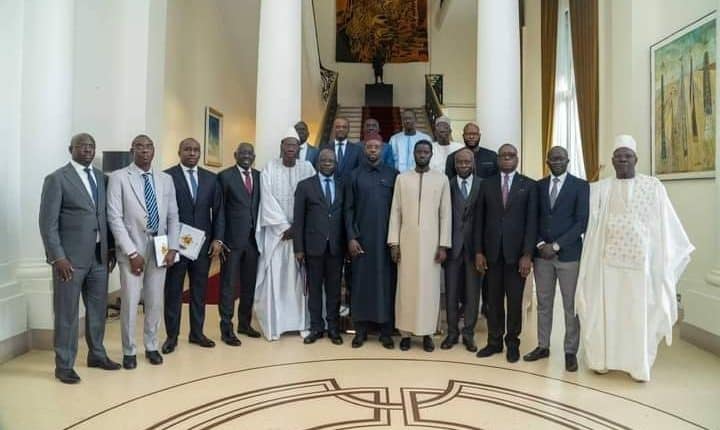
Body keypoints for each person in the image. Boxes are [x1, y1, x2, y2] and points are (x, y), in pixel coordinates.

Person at [576, 135, 693, 382]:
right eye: (618, 156)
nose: (623, 160)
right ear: (612, 160)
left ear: (636, 159)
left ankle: (637, 366)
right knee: (605, 314)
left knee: (637, 316)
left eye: (627, 156)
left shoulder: (653, 187)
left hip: (641, 269)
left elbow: (665, 224)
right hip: (606, 267)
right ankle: (601, 360)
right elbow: (591, 227)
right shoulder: (600, 189)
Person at [39, 133, 121, 384]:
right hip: (69, 261)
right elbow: (47, 224)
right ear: (71, 149)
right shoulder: (56, 179)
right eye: (82, 146)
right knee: (67, 313)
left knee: (98, 310)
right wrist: (58, 258)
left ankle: (97, 355)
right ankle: (64, 365)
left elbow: (106, 217)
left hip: (99, 257)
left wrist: (110, 249)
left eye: (91, 146)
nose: (87, 150)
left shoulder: (101, 178)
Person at [107, 134, 180, 369]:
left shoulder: (165, 179)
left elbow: (173, 216)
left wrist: (173, 247)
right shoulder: (118, 178)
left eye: (149, 146)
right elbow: (114, 218)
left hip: (160, 246)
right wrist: (131, 252)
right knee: (130, 301)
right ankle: (129, 350)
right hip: (132, 248)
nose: (145, 150)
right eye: (140, 146)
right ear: (132, 151)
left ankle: (151, 345)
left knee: (155, 300)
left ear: (154, 151)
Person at [523, 146, 588, 372]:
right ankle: (543, 346)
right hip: (542, 257)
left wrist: (557, 245)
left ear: (568, 161)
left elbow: (581, 222)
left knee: (571, 305)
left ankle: (570, 351)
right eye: (553, 158)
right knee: (544, 303)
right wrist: (541, 244)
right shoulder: (538, 186)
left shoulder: (581, 186)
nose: (557, 161)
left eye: (561, 158)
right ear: (547, 162)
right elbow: (532, 218)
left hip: (569, 256)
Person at [474, 143, 537, 363]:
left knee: (515, 301)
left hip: (517, 256)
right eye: (503, 155)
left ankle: (512, 342)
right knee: (493, 300)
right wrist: (479, 251)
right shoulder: (486, 184)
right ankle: (494, 341)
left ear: (517, 159)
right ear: (498, 159)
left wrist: (527, 255)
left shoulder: (528, 185)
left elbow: (532, 223)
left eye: (511, 155)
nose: (507, 158)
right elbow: (479, 220)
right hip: (491, 255)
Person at [162, 138, 225, 354]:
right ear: (179, 152)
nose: (192, 153)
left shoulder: (211, 178)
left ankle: (197, 333)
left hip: (202, 245)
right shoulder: (167, 177)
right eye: (187, 149)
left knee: (199, 290)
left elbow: (219, 211)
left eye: (196, 150)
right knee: (173, 291)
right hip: (175, 245)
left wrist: (218, 239)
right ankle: (171, 337)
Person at [388, 140, 452, 352]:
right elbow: (395, 211)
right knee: (405, 288)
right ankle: (405, 334)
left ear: (431, 154)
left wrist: (443, 245)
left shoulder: (441, 179)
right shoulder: (402, 178)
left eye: (426, 151)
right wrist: (394, 243)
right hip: (406, 243)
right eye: (419, 151)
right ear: (414, 154)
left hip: (431, 245)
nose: (422, 154)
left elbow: (445, 214)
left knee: (429, 290)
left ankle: (427, 334)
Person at [254, 128, 316, 340]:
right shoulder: (269, 168)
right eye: (287, 144)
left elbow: (314, 199)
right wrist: (284, 227)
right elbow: (267, 201)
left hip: (301, 236)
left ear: (299, 148)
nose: (291, 148)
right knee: (277, 280)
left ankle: (301, 323)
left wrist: (297, 228)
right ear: (281, 146)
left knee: (300, 282)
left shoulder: (307, 168)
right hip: (277, 236)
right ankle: (276, 325)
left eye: (294, 145)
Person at [345, 133, 398, 349]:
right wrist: (351, 237)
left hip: (386, 242)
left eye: (377, 147)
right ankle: (360, 331)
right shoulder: (354, 175)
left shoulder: (393, 175)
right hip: (362, 241)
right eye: (369, 147)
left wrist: (396, 241)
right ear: (364, 150)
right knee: (360, 286)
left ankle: (386, 332)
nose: (373, 150)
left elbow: (399, 210)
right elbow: (348, 209)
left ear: (382, 149)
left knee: (386, 285)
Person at [294, 149, 345, 345]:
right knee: (314, 290)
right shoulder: (305, 186)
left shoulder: (343, 185)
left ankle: (333, 328)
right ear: (317, 163)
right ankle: (316, 327)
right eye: (323, 160)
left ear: (336, 163)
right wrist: (298, 248)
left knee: (334, 291)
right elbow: (298, 220)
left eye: (331, 160)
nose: (327, 163)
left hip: (336, 247)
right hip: (313, 247)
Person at [217, 143, 262, 346]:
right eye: (242, 152)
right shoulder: (225, 177)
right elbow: (219, 211)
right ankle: (226, 328)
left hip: (254, 241)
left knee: (249, 285)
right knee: (228, 285)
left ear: (254, 156)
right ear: (235, 155)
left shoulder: (260, 177)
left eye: (250, 153)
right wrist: (220, 239)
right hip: (232, 241)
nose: (246, 156)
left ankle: (245, 324)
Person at [441, 148, 482, 352]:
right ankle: (451, 333)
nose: (463, 165)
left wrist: (482, 249)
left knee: (473, 293)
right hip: (452, 247)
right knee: (451, 292)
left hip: (475, 249)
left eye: (467, 162)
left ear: (473, 163)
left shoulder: (482, 185)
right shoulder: (446, 185)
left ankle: (468, 334)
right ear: (454, 164)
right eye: (460, 162)